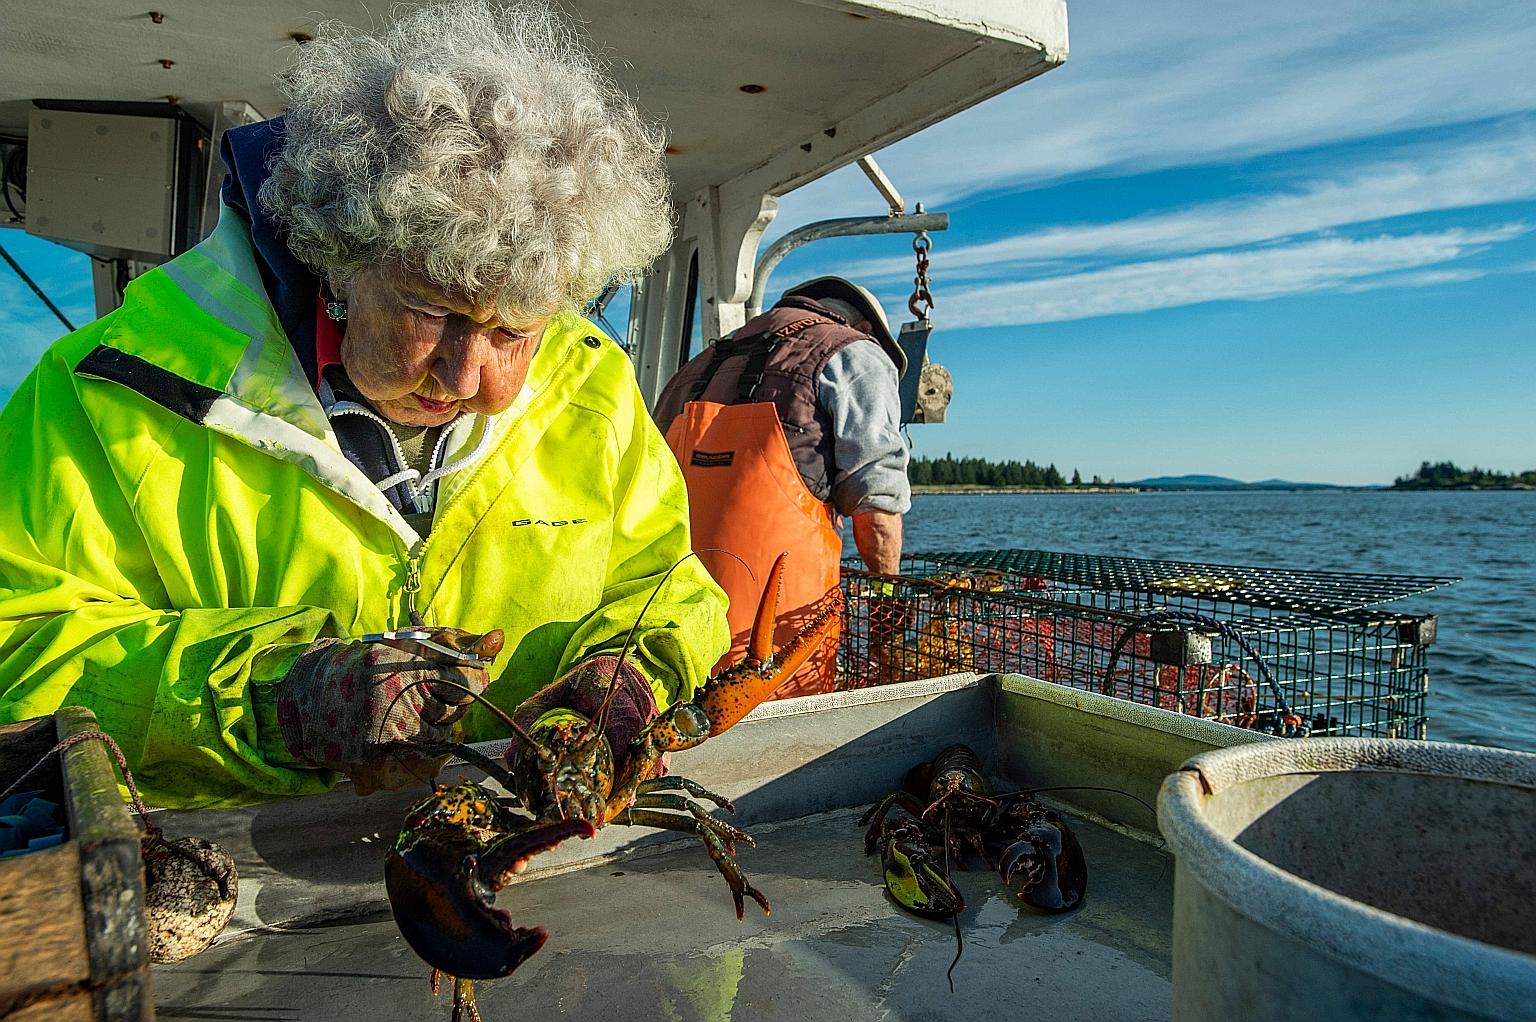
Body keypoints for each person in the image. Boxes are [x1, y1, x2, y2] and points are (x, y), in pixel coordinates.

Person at [0, 1, 729, 809]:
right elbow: (18, 651)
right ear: (337, 259)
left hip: (528, 859)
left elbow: (668, 589)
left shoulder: (593, 383)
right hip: (228, 892)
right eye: (429, 310)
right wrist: (278, 700)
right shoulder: (106, 393)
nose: (465, 377)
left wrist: (629, 681)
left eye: (514, 331)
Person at [652, 277, 910, 697]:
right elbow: (876, 509)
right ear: (865, 327)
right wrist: (889, 604)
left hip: (671, 653)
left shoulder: (697, 365)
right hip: (777, 665)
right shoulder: (855, 352)